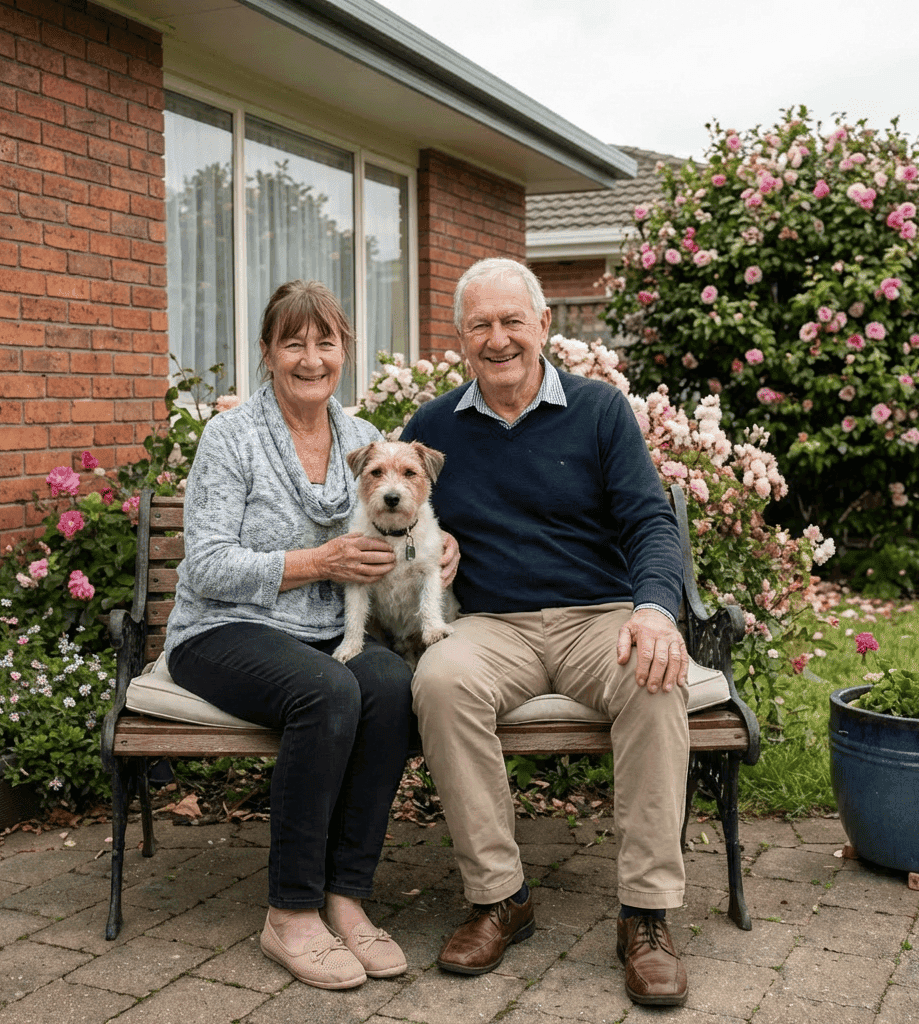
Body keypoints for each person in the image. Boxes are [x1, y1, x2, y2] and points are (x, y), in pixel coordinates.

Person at [399, 258, 692, 1007]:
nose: (497, 340)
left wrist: (655, 610)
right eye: (480, 326)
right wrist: (436, 549)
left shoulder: (599, 410)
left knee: (657, 677)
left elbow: (650, 522)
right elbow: (398, 516)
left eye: (511, 322)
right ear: (460, 337)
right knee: (439, 679)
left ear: (543, 326)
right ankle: (500, 898)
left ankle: (647, 916)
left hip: (600, 617)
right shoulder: (432, 428)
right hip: (494, 625)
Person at [165, 280, 421, 991]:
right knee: (328, 691)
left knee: (394, 685)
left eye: (326, 342)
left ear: (345, 351)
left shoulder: (359, 436)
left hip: (321, 630)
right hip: (223, 628)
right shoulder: (232, 436)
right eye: (294, 343)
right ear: (267, 353)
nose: (311, 358)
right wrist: (317, 561)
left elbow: (394, 520)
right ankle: (291, 912)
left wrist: (436, 544)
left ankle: (346, 896)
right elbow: (207, 565)